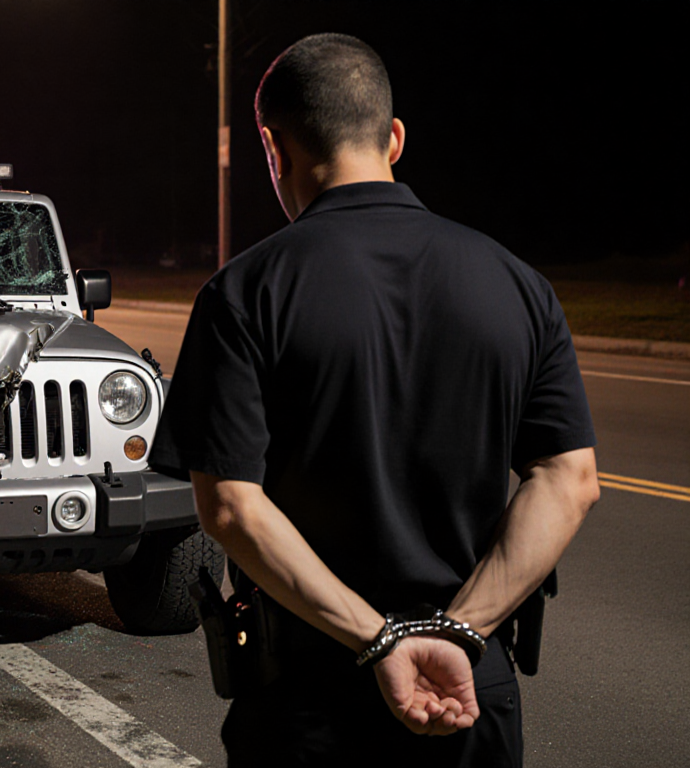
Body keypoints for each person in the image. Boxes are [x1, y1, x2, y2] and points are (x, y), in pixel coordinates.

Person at [150, 33, 600, 766]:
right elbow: (570, 481)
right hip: (468, 685)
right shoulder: (517, 284)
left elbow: (231, 506)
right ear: (393, 138)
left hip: (309, 692)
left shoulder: (244, 294)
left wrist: (379, 640)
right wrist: (456, 631)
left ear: (273, 147)